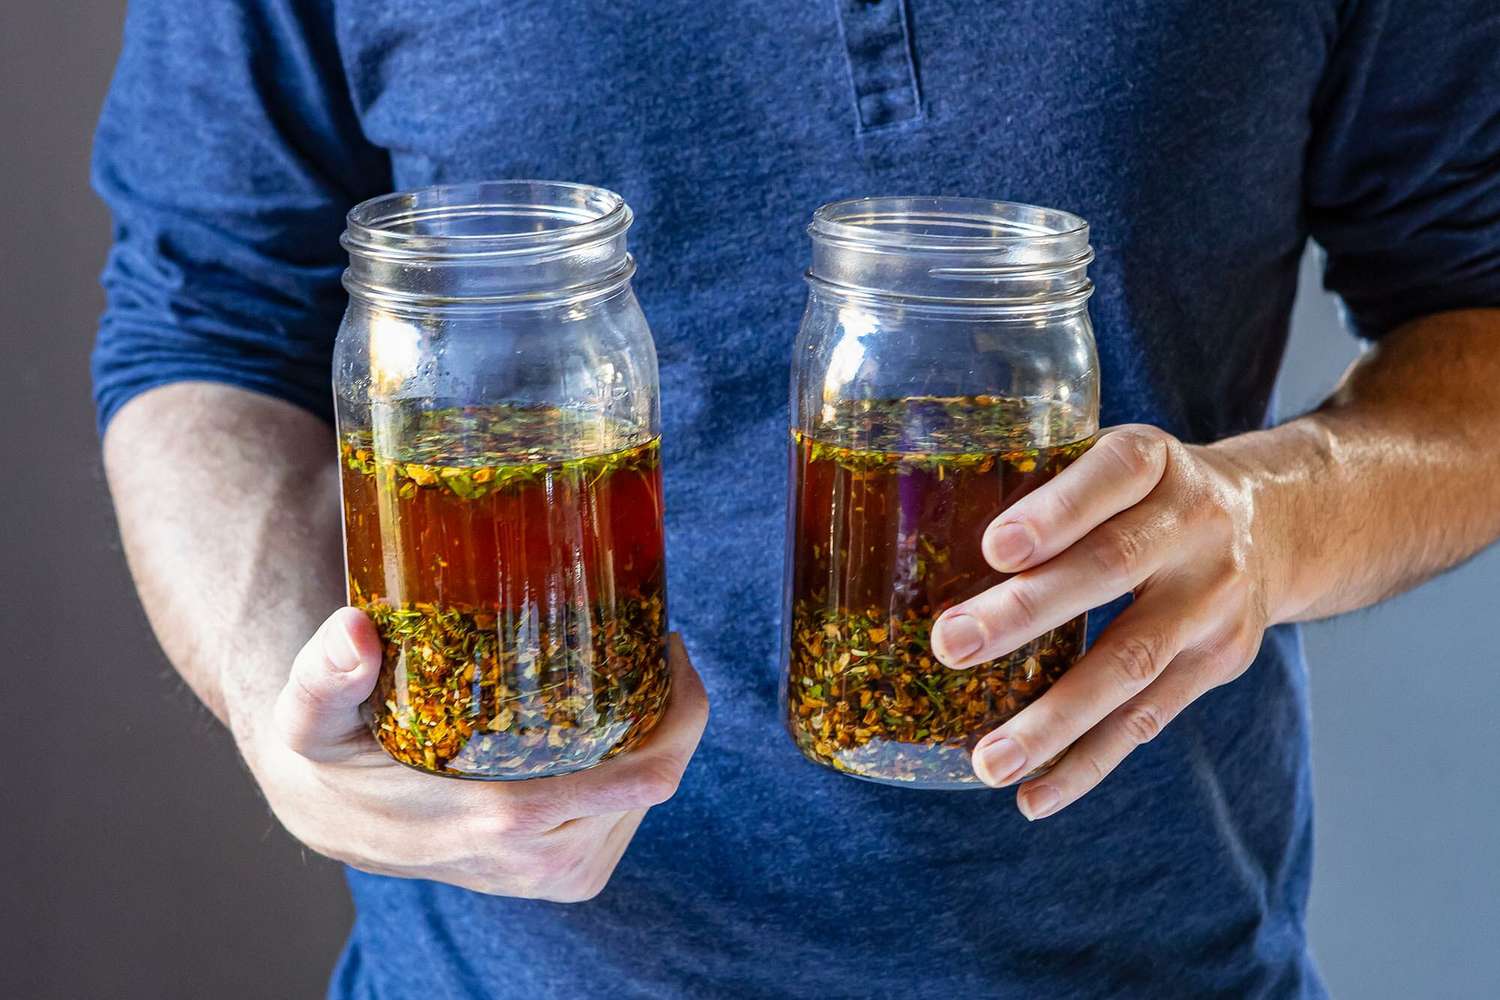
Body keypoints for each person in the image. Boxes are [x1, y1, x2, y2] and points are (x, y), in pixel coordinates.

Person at [92, 1, 1500, 996]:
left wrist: (1272, 519)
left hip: (1153, 959)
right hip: (498, 977)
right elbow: (205, 327)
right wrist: (284, 700)